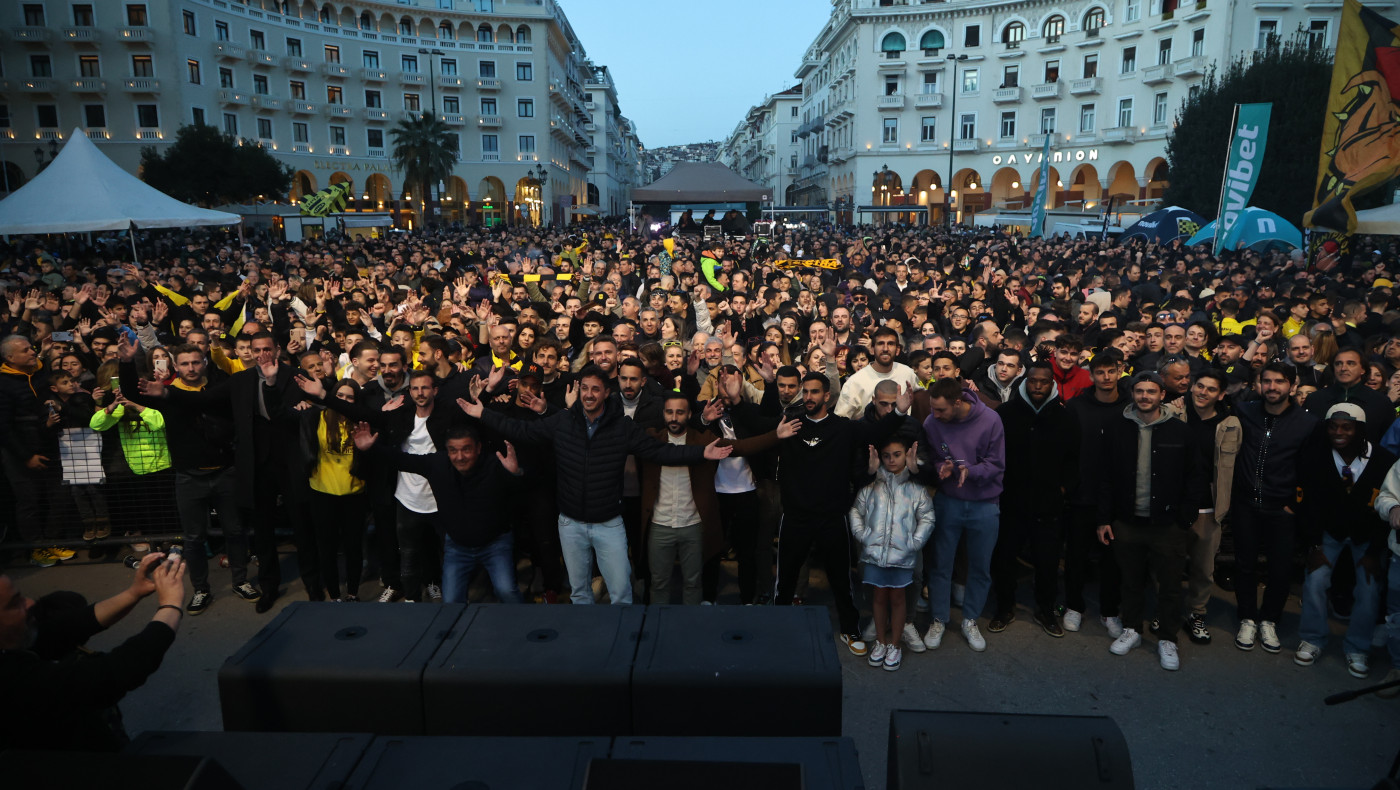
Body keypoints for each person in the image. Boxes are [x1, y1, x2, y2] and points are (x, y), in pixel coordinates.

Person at [460, 365, 733, 605]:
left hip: (609, 524)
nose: (589, 394)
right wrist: (484, 414)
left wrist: (701, 453)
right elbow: (522, 430)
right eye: (585, 389)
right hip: (570, 524)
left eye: (596, 389)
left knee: (622, 593)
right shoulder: (562, 422)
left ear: (605, 393)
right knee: (580, 593)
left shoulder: (622, 428)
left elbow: (660, 451)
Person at [770, 371, 910, 655]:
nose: (808, 397)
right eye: (805, 392)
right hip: (796, 517)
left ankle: (849, 629)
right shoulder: (790, 425)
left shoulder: (844, 428)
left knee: (841, 580)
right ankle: (777, 627)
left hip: (832, 517)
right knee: (785, 580)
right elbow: (758, 426)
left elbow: (876, 432)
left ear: (827, 397)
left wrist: (898, 411)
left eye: (814, 392)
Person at [118, 338, 256, 615]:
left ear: (204, 362)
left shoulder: (217, 388)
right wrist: (125, 362)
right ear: (175, 366)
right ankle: (201, 589)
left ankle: (241, 581)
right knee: (193, 538)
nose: (191, 367)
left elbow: (204, 401)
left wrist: (168, 393)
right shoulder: (162, 391)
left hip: (225, 472)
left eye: (196, 362)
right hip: (188, 477)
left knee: (235, 531)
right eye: (185, 363)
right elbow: (132, 391)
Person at [0, 551, 187, 750]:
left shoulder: (15, 644)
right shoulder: (13, 680)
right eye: (14, 604)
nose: (29, 603)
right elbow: (114, 672)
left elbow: (68, 627)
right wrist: (170, 605)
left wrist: (134, 592)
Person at [640, 392, 796, 605]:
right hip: (659, 524)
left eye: (679, 412)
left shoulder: (702, 440)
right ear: (663, 414)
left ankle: (692, 627)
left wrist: (775, 435)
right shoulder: (652, 438)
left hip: (692, 524)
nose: (674, 417)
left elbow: (740, 447)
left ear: (688, 415)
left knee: (693, 584)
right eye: (669, 412)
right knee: (658, 584)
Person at [352, 421, 525, 605]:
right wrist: (371, 449)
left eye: (466, 449)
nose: (460, 457)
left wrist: (516, 474)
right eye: (453, 450)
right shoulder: (437, 464)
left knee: (506, 591)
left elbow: (523, 494)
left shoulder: (495, 465)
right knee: (450, 600)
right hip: (458, 547)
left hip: (495, 545)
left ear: (478, 448)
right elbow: (401, 459)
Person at [1095, 372, 1200, 671]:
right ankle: (1132, 629)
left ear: (1161, 395)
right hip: (1127, 521)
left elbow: (1195, 477)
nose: (1144, 396)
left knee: (1168, 585)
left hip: (1168, 525)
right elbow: (1105, 477)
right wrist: (1104, 518)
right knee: (1130, 581)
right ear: (1133, 394)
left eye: (1151, 391)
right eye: (1139, 391)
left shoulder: (1181, 432)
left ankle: (1168, 638)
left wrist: (1185, 518)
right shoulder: (1116, 428)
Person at [1294, 403, 1394, 678]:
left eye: (1346, 427)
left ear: (1360, 430)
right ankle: (1313, 638)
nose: (1339, 432)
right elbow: (1308, 506)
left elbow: (1387, 508)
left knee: (1369, 589)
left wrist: (1374, 551)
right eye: (1333, 426)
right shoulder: (1315, 457)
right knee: (1315, 580)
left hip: (1368, 537)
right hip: (1329, 532)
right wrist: (1314, 545)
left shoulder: (1384, 460)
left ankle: (1358, 647)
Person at [1231, 363, 1318, 653]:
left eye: (1279, 382)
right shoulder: (1245, 412)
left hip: (1281, 508)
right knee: (1244, 564)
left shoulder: (1307, 423)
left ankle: (1269, 619)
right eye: (1266, 381)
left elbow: (1311, 470)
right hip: (1245, 504)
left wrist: (1294, 505)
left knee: (1280, 569)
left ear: (1292, 386)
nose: (1272, 387)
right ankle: (1246, 617)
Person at [990, 361, 1079, 638]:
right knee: (1004, 559)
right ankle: (1004, 607)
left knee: (1048, 562)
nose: (1038, 386)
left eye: (1043, 381)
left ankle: (1045, 609)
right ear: (1025, 382)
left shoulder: (1066, 417)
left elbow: (1075, 459)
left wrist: (1063, 489)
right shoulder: (1005, 413)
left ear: (1052, 384)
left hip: (1049, 505)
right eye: (1033, 381)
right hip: (1011, 502)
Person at [921, 377, 1006, 653]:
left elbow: (996, 464)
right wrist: (940, 467)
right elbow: (933, 455)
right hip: (949, 501)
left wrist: (971, 470)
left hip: (985, 503)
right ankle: (939, 618)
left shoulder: (991, 420)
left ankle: (970, 619)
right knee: (940, 563)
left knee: (980, 566)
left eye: (941, 410)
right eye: (933, 409)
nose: (935, 415)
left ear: (958, 402)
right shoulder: (932, 423)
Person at [849, 435, 936, 672]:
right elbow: (856, 511)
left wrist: (914, 542)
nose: (891, 460)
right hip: (875, 555)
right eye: (886, 456)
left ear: (907, 455)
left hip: (902, 557)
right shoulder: (871, 486)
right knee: (878, 597)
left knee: (898, 599)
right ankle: (880, 641)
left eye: (897, 455)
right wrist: (864, 535)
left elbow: (927, 517)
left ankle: (895, 645)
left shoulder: (915, 488)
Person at [1063, 349, 1127, 637]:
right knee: (1076, 556)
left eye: (1110, 371)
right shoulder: (1076, 407)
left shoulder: (1129, 407)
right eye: (1099, 372)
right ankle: (1074, 606)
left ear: (1119, 371)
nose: (1105, 377)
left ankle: (1110, 611)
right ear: (1091, 375)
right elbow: (1066, 451)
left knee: (1112, 560)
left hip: (1117, 498)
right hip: (1081, 496)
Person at [0, 334, 66, 566]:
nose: (32, 352)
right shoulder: (4, 383)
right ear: (10, 357)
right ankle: (36, 548)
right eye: (26, 350)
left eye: (31, 348)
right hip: (19, 454)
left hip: (47, 444)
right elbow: (3, 427)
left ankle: (51, 541)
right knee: (28, 501)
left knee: (56, 496)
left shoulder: (39, 373)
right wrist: (26, 457)